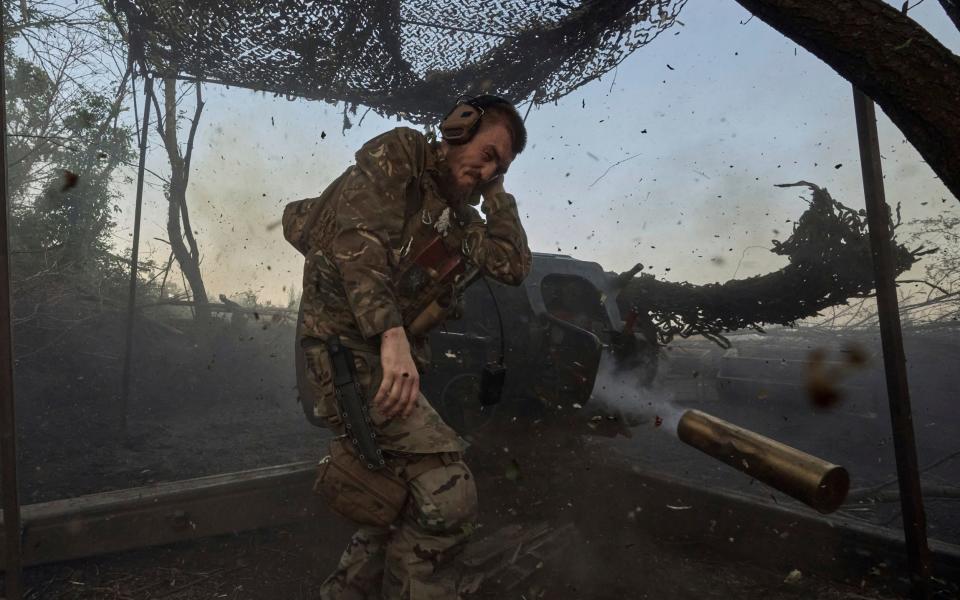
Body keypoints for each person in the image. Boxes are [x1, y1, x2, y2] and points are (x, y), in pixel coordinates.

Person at [282, 95, 531, 599]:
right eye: (486, 153)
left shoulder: (461, 223)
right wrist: (392, 336)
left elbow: (512, 265)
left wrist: (498, 190)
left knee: (394, 499)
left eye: (499, 166)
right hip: (344, 354)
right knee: (448, 495)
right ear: (458, 127)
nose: (486, 170)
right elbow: (360, 242)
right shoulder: (403, 154)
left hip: (384, 361)